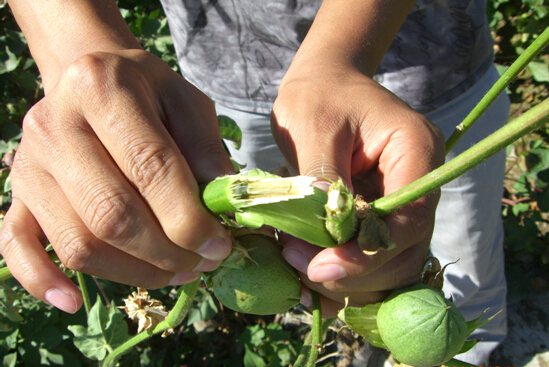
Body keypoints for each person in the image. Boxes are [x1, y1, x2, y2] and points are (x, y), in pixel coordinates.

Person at [1, 0, 507, 364]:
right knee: (305, 268)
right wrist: (80, 62)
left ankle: (478, 353)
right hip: (219, 91)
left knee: (460, 273)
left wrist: (336, 56)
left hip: (432, 79)